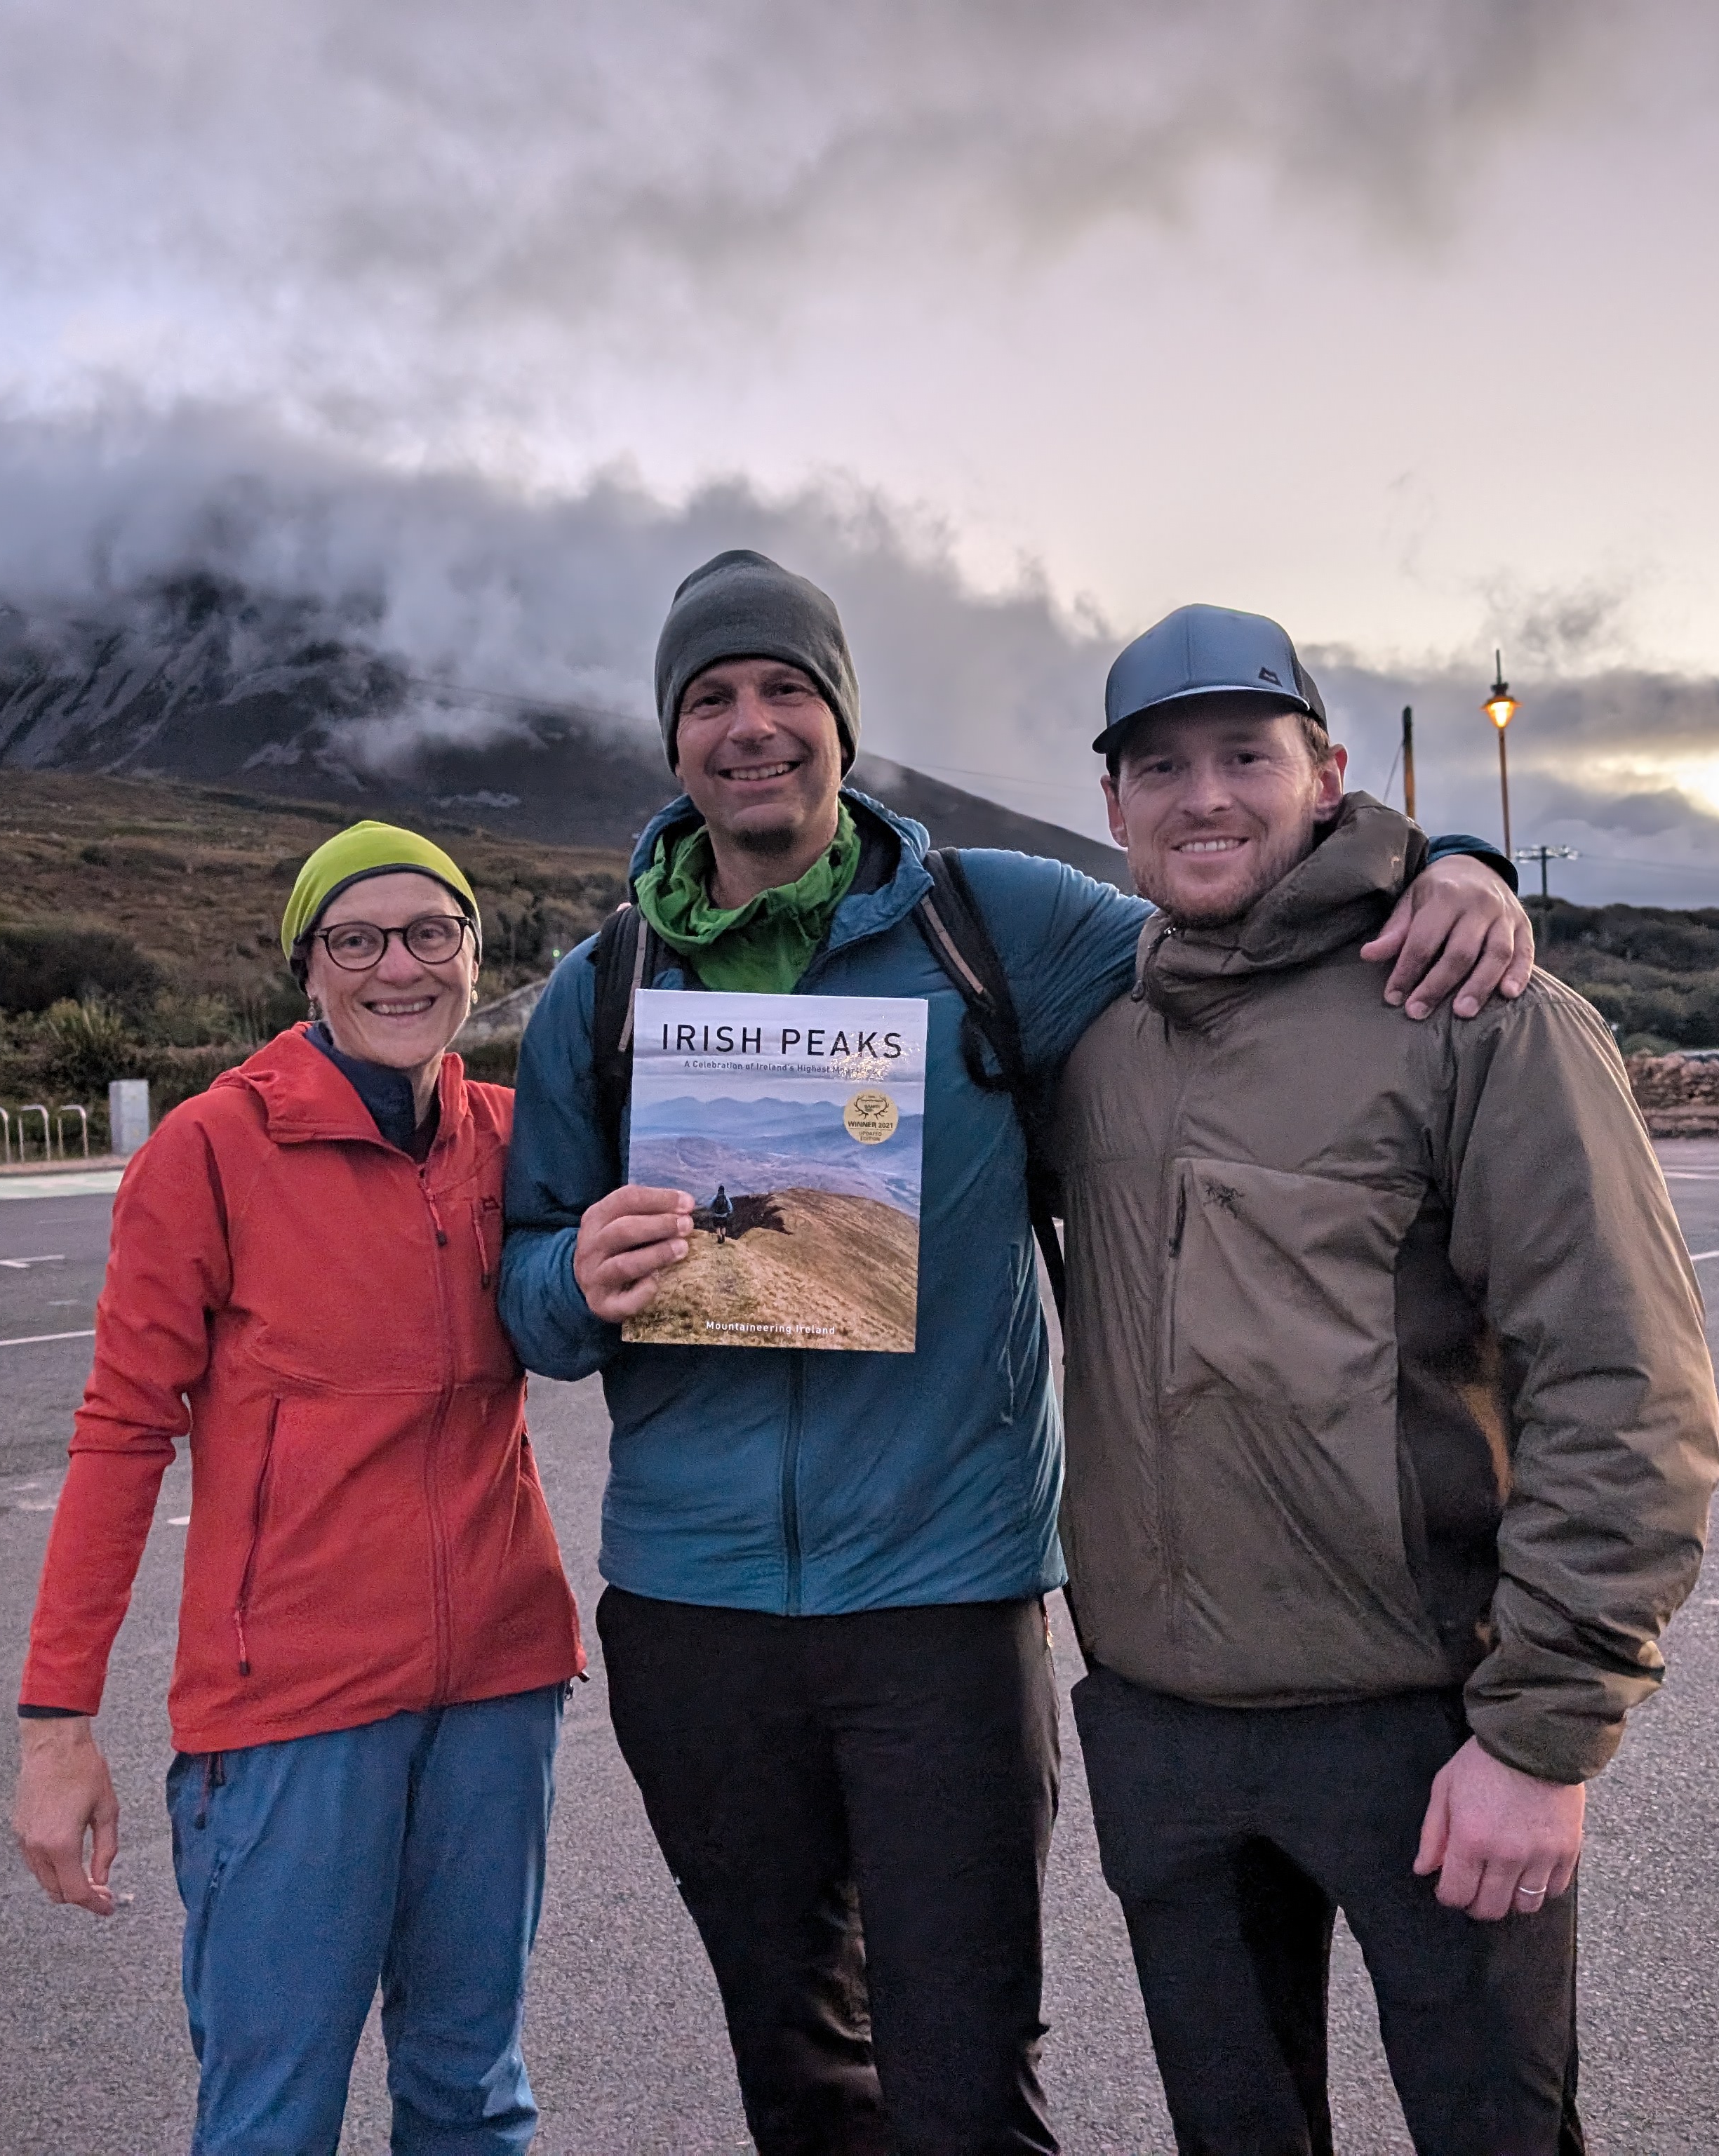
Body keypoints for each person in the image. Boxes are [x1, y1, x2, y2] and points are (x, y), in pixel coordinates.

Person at [496, 550, 1537, 2154]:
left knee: (967, 2062)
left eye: (788, 690)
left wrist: (1447, 863)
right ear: (674, 738)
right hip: (695, 1610)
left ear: (844, 724)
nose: (752, 726)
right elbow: (525, 1296)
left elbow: (1247, 913)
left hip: (944, 1601)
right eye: (713, 699)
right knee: (795, 2065)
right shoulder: (606, 990)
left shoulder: (1000, 922)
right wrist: (579, 1272)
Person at [1052, 604, 1719, 2155]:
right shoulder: (1098, 1038)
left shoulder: (1477, 1016)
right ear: (1112, 808)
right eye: (1159, 766)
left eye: (1245, 754)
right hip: (1164, 1730)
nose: (1202, 796)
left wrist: (1542, 1737)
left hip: (1423, 1727)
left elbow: (1630, 1390)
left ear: (1329, 771)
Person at [11, 821, 584, 2155]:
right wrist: (56, 1726)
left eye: (430, 934)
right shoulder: (212, 1151)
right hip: (293, 1709)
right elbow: (118, 1440)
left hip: (499, 1690)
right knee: (274, 2119)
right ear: (308, 971)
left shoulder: (516, 1142)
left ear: (474, 957)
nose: (399, 966)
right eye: (358, 940)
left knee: (474, 2096)